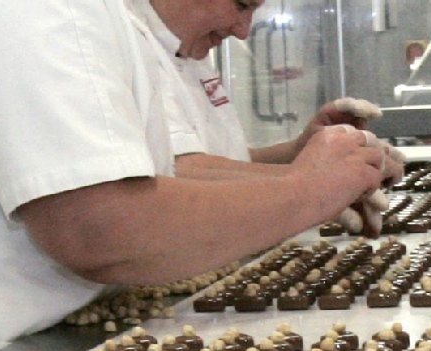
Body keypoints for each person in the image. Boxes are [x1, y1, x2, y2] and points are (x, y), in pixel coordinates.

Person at [0, 0, 390, 351]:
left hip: (14, 345)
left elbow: (154, 178)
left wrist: (306, 177)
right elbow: (97, 228)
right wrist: (309, 190)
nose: (243, 28)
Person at [123, 0, 396, 232]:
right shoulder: (124, 43)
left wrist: (299, 152)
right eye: (242, 5)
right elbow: (179, 171)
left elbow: (221, 159)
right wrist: (313, 183)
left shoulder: (190, 46)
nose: (243, 31)